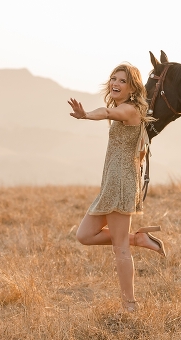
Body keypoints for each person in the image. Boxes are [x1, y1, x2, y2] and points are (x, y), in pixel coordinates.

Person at [68, 63, 166, 313]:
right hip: (111, 182)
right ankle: (139, 238)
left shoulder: (129, 110)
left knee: (120, 248)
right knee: (85, 235)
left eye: (122, 81)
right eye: (113, 78)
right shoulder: (123, 107)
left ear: (133, 88)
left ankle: (130, 306)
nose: (115, 83)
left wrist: (86, 115)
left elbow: (107, 113)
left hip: (121, 182)